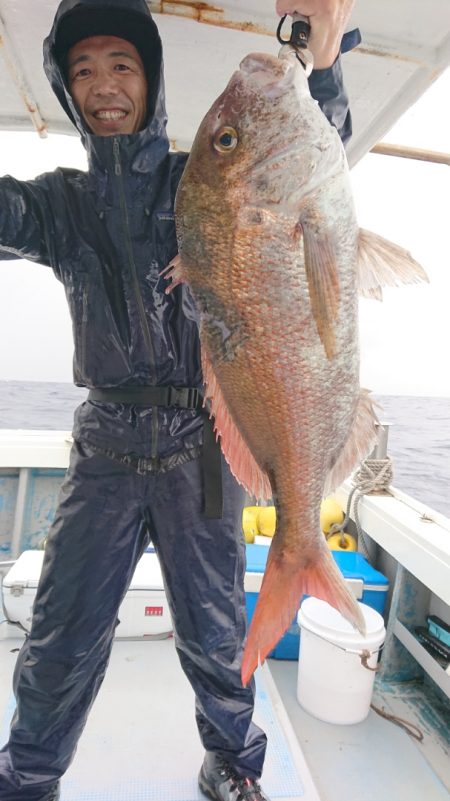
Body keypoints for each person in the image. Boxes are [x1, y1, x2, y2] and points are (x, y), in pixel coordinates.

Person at [0, 1, 357, 799]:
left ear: (152, 78)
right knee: (61, 636)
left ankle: (232, 765)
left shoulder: (196, 178)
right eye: (84, 70)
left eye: (122, 65)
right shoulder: (59, 203)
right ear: (65, 87)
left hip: (203, 442)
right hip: (106, 444)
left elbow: (300, 169)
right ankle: (27, 777)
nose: (104, 86)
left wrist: (322, 61)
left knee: (216, 629)